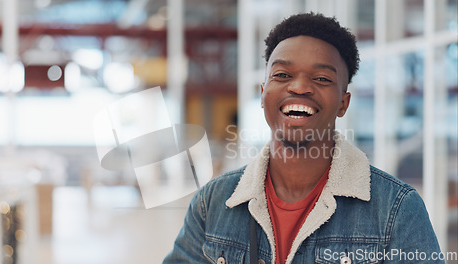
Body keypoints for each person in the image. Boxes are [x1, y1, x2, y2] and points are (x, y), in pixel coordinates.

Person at [163, 13, 442, 264]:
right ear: (263, 93)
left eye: (321, 79)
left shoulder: (395, 210)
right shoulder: (213, 202)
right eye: (283, 74)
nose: (299, 87)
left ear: (343, 103)